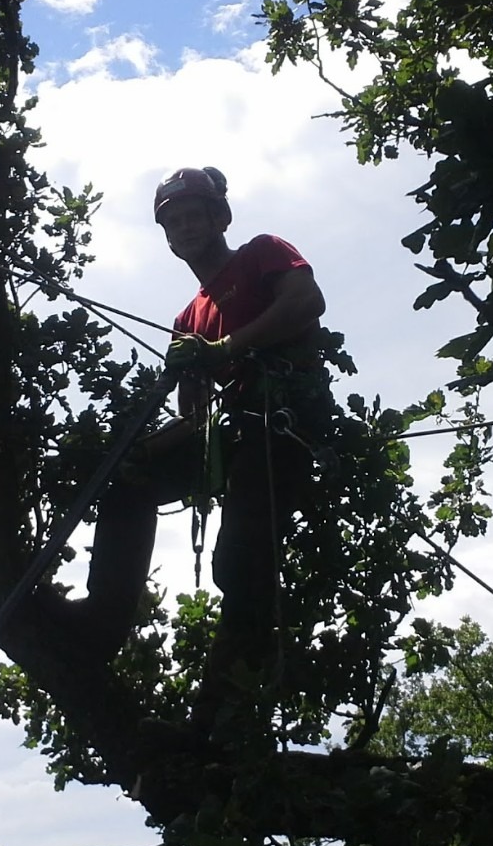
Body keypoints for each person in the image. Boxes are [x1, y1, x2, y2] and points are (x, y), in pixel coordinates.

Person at [61, 166, 331, 723]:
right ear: (166, 234)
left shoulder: (261, 253)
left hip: (279, 425)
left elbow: (307, 302)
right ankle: (103, 621)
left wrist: (225, 347)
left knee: (240, 558)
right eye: (173, 220)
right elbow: (196, 414)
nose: (184, 226)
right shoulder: (189, 317)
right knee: (127, 487)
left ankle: (227, 702)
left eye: (193, 215)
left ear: (218, 217)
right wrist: (142, 451)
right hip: (227, 431)